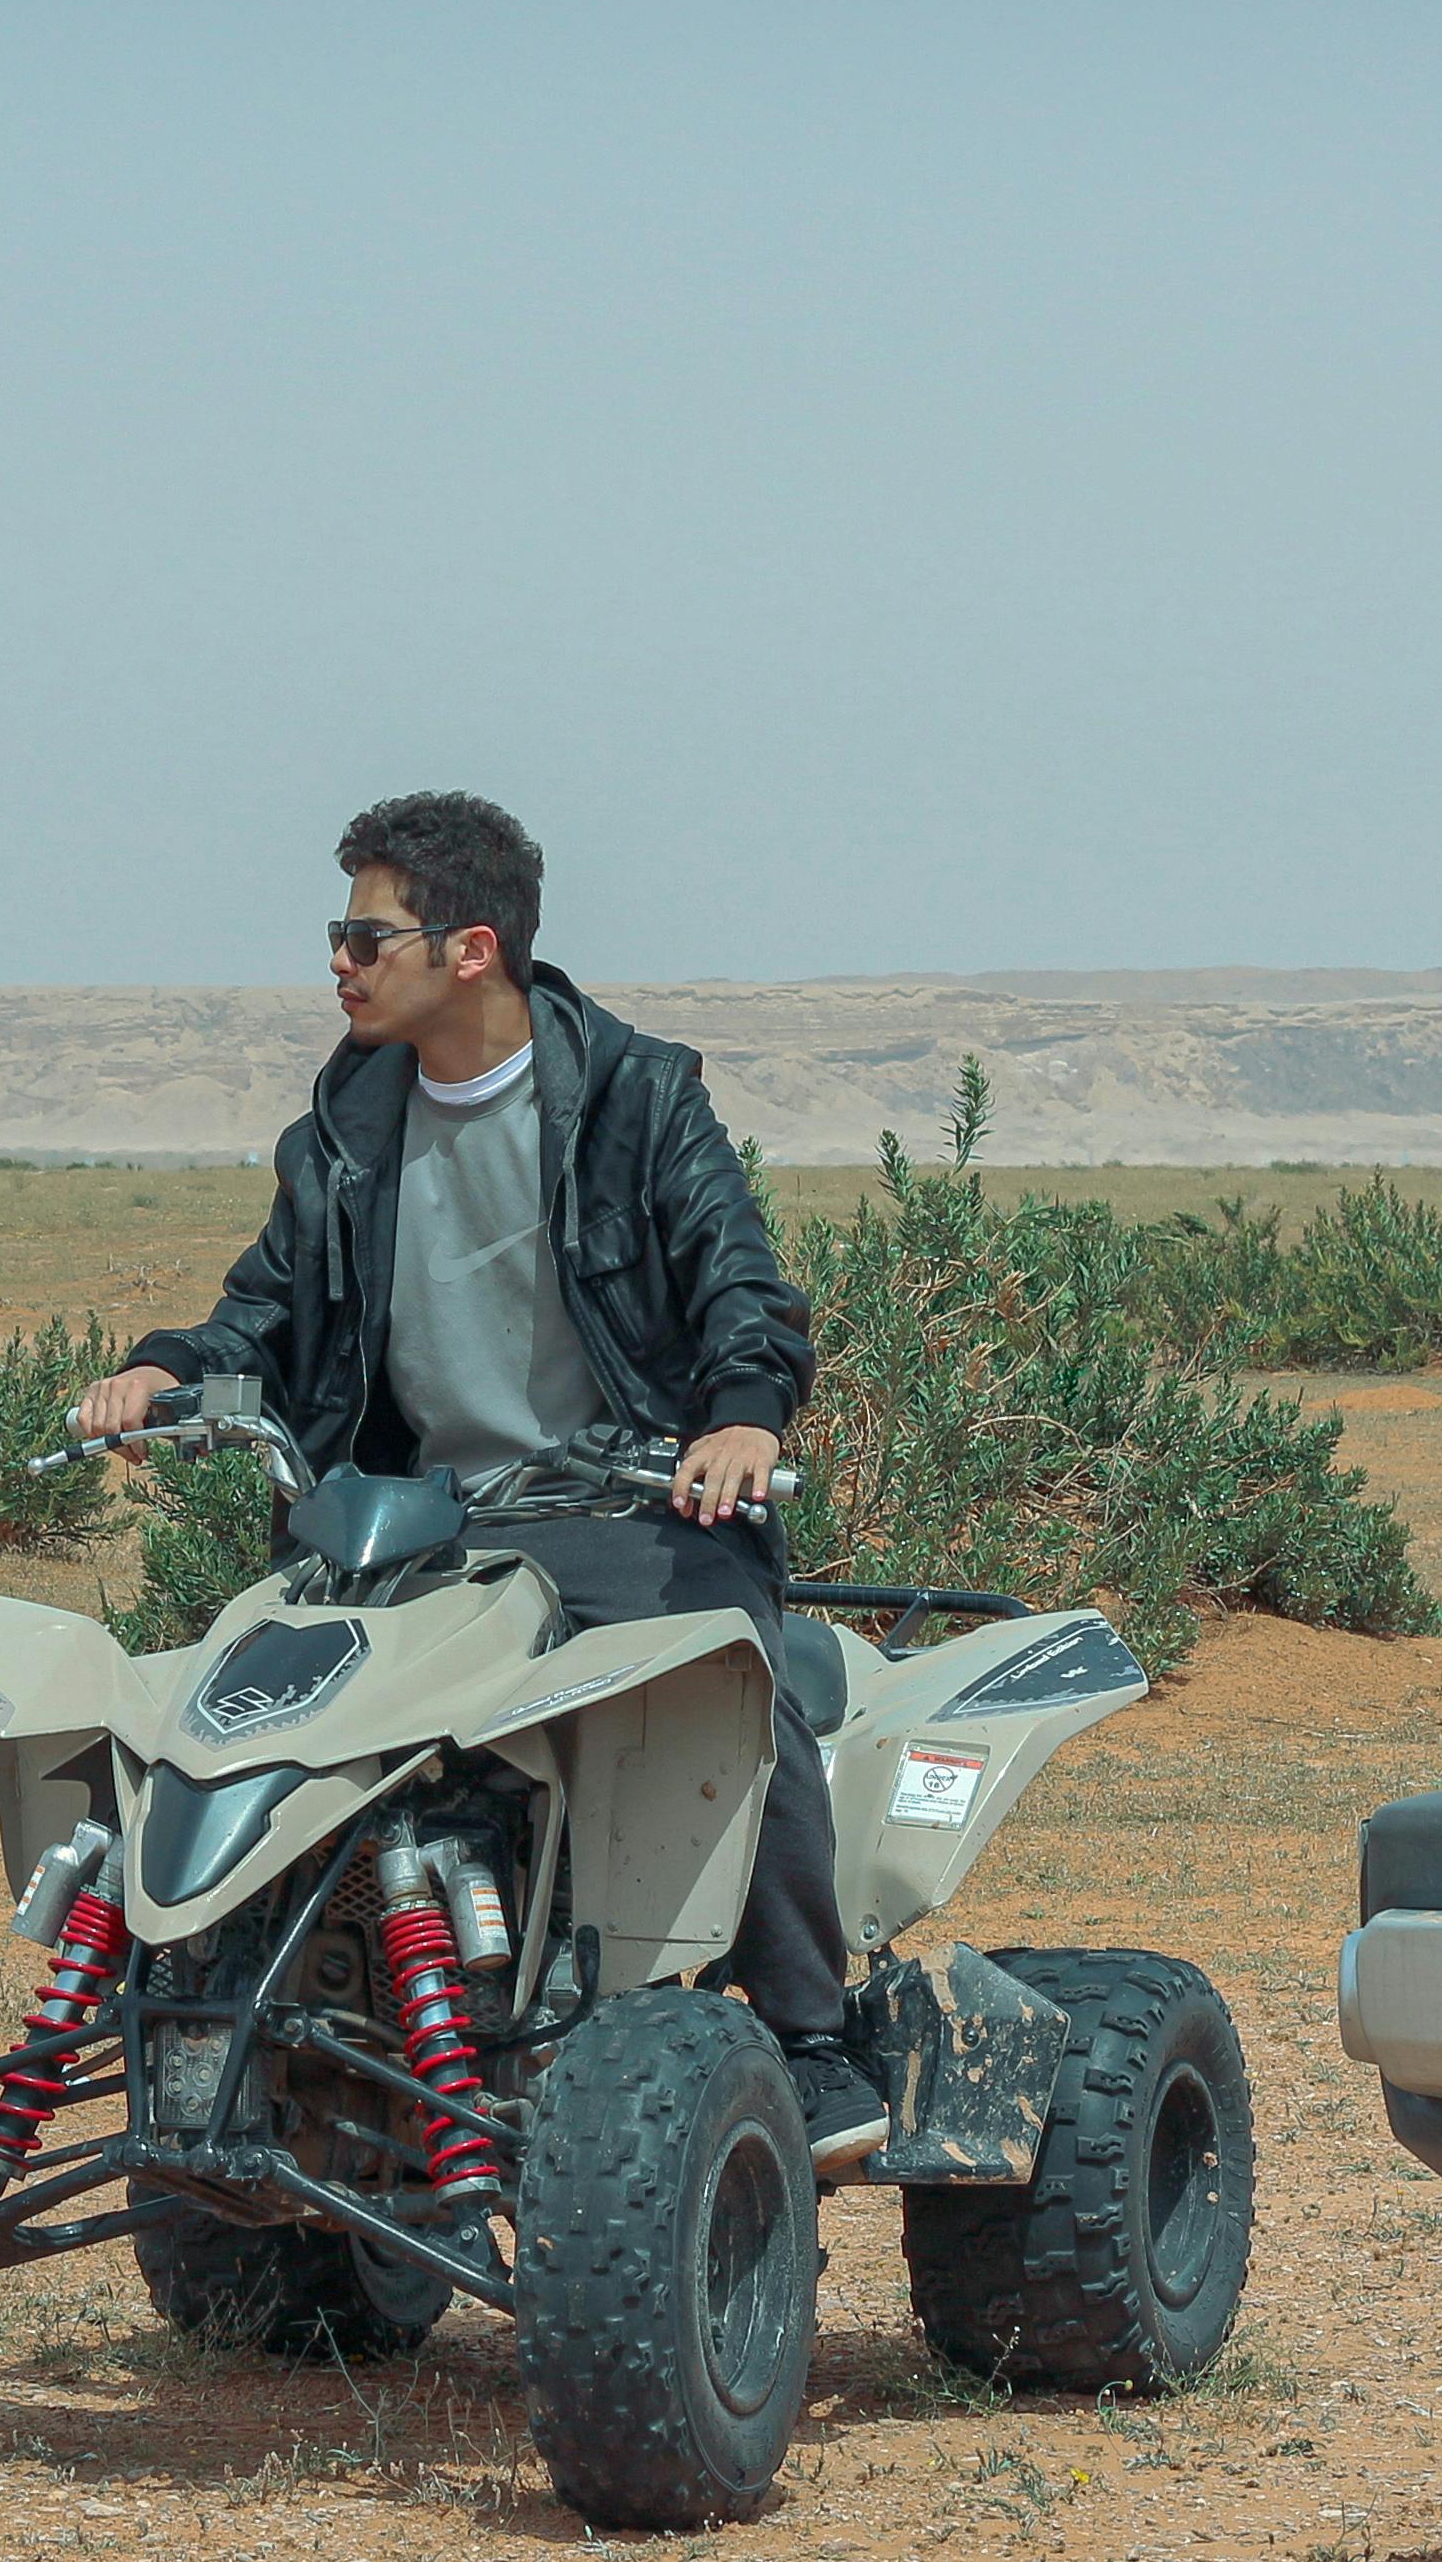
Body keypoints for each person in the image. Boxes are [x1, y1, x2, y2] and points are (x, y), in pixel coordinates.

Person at [71, 791, 883, 2161]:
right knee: (249, 1698)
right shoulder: (344, 1125)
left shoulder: (634, 1097)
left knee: (732, 1690)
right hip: (414, 1524)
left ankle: (814, 2039)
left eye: (365, 935)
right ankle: (255, 2010)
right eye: (338, 933)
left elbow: (741, 1282)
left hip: (625, 1509)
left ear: (471, 949)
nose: (338, 960)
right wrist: (167, 1368)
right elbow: (263, 1310)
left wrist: (743, 1419)